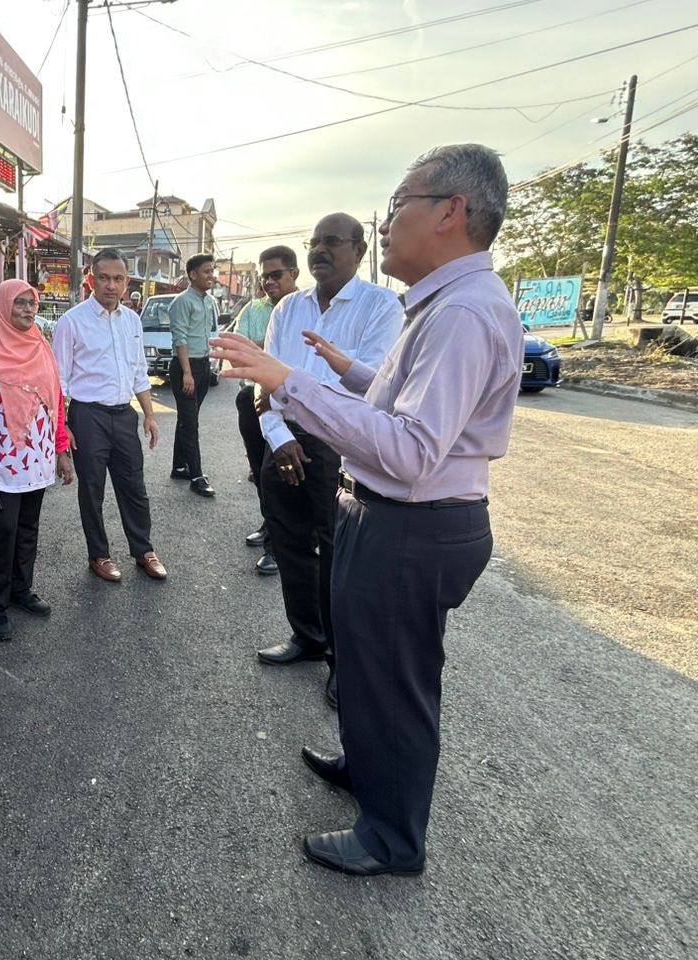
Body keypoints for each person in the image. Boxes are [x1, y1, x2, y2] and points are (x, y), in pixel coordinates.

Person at [211, 144, 523, 877]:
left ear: (451, 212)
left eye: (400, 203)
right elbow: (398, 395)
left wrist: (291, 381)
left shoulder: (465, 314)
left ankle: (392, 838)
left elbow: (412, 448)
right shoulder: (442, 303)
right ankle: (367, 769)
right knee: (370, 671)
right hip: (388, 517)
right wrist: (344, 369)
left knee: (398, 684)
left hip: (412, 525)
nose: (388, 221)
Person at [254, 215, 402, 709]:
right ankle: (308, 639)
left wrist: (293, 400)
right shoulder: (288, 308)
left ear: (359, 250)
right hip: (283, 440)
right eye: (314, 242)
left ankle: (344, 660)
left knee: (338, 558)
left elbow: (368, 385)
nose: (320, 250)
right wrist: (277, 438)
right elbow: (264, 379)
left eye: (332, 241)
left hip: (340, 443)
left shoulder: (380, 307)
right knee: (291, 543)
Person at [0, 279, 74, 641]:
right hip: (0, 464)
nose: (28, 310)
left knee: (28, 527)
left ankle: (20, 589)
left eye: (32, 303)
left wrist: (61, 450)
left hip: (38, 459)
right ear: (3, 307)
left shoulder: (41, 347)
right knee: (4, 531)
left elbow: (55, 402)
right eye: (20, 304)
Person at [52, 248, 167, 583]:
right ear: (91, 278)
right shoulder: (71, 322)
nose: (111, 285)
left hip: (124, 415)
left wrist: (149, 415)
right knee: (92, 488)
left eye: (118, 279)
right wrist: (62, 427)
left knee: (134, 486)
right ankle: (99, 555)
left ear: (126, 281)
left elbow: (139, 373)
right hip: (88, 416)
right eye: (103, 278)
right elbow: (57, 381)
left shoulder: (132, 320)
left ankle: (143, 549)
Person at [234, 246, 299, 572]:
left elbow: (298, 363)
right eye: (265, 277)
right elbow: (237, 351)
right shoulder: (253, 309)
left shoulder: (304, 309)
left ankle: (279, 546)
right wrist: (267, 356)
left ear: (294, 274)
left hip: (291, 407)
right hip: (251, 399)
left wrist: (258, 353)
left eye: (276, 275)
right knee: (261, 470)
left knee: (283, 476)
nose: (269, 282)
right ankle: (269, 524)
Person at [167, 253, 219, 497]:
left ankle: (179, 466)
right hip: (184, 368)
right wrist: (187, 373)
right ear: (193, 274)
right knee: (191, 423)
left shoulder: (209, 302)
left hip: (202, 366)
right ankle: (197, 475)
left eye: (213, 271)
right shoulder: (182, 302)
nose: (211, 276)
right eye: (207, 271)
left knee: (188, 419)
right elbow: (181, 339)